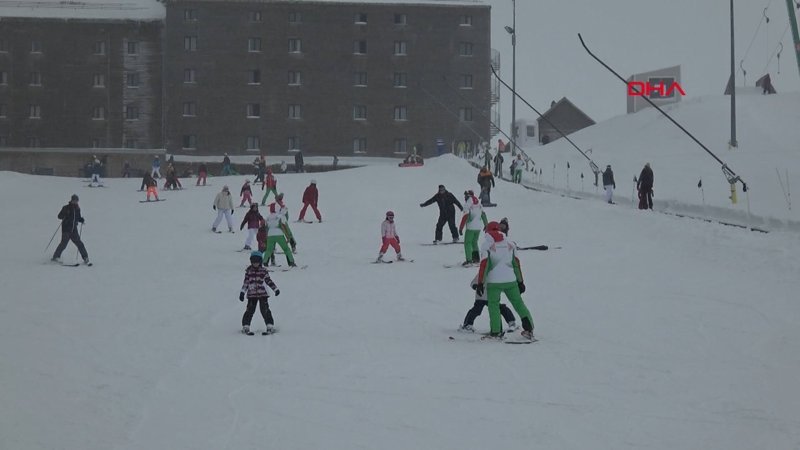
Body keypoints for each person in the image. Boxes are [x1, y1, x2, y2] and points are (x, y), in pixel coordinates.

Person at [476, 221, 534, 340]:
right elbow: (516, 264)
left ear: (488, 231)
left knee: (494, 306)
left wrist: (480, 283)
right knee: (518, 303)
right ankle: (529, 328)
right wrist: (520, 281)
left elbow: (484, 265)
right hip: (511, 281)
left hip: (494, 282)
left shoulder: (486, 245)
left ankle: (496, 331)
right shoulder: (510, 244)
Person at [238, 251, 280, 335]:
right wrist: (242, 292)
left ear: (260, 261)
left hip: (263, 294)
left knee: (265, 310)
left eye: (257, 261)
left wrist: (275, 289)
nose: (255, 263)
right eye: (253, 261)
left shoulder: (263, 271)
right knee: (249, 310)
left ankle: (270, 325)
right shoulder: (249, 271)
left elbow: (268, 281)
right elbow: (246, 283)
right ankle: (246, 326)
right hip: (251, 294)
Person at [51, 194, 90, 265]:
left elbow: (77, 218)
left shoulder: (77, 209)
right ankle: (55, 257)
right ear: (71, 200)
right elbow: (59, 216)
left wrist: (81, 220)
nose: (75, 202)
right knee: (63, 244)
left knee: (79, 243)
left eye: (76, 201)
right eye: (74, 200)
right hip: (66, 229)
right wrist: (65, 214)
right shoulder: (66, 207)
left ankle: (85, 257)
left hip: (74, 229)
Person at [262, 203, 296, 267]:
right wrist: (289, 237)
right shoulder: (280, 217)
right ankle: (291, 262)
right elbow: (285, 227)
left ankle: (265, 262)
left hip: (270, 235)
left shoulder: (268, 217)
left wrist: (265, 238)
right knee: (286, 249)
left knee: (269, 249)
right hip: (279, 234)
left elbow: (266, 228)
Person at [458, 190, 487, 265]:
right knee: (474, 242)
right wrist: (486, 225)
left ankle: (469, 260)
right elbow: (483, 214)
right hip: (478, 227)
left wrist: (461, 228)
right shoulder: (479, 204)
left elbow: (465, 216)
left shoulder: (468, 204)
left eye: (465, 196)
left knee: (467, 243)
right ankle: (476, 259)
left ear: (468, 196)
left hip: (470, 227)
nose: (464, 197)